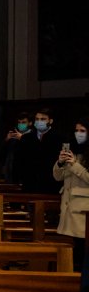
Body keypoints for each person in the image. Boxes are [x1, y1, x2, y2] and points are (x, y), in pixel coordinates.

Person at [53, 119, 88, 269]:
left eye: (82, 131)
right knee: (73, 249)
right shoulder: (72, 151)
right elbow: (57, 177)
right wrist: (60, 163)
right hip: (68, 205)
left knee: (83, 248)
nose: (78, 134)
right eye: (76, 131)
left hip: (83, 208)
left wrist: (75, 165)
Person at [17, 108, 64, 194]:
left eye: (43, 119)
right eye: (37, 119)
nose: (39, 122)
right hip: (30, 184)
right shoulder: (26, 138)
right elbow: (20, 161)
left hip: (51, 185)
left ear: (50, 121)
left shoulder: (59, 138)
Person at [2, 112, 31, 184]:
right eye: (19, 122)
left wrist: (22, 139)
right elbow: (1, 155)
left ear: (30, 123)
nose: (21, 125)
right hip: (11, 174)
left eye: (24, 122)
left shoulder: (32, 136)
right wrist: (7, 140)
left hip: (26, 174)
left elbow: (30, 153)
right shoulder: (13, 137)